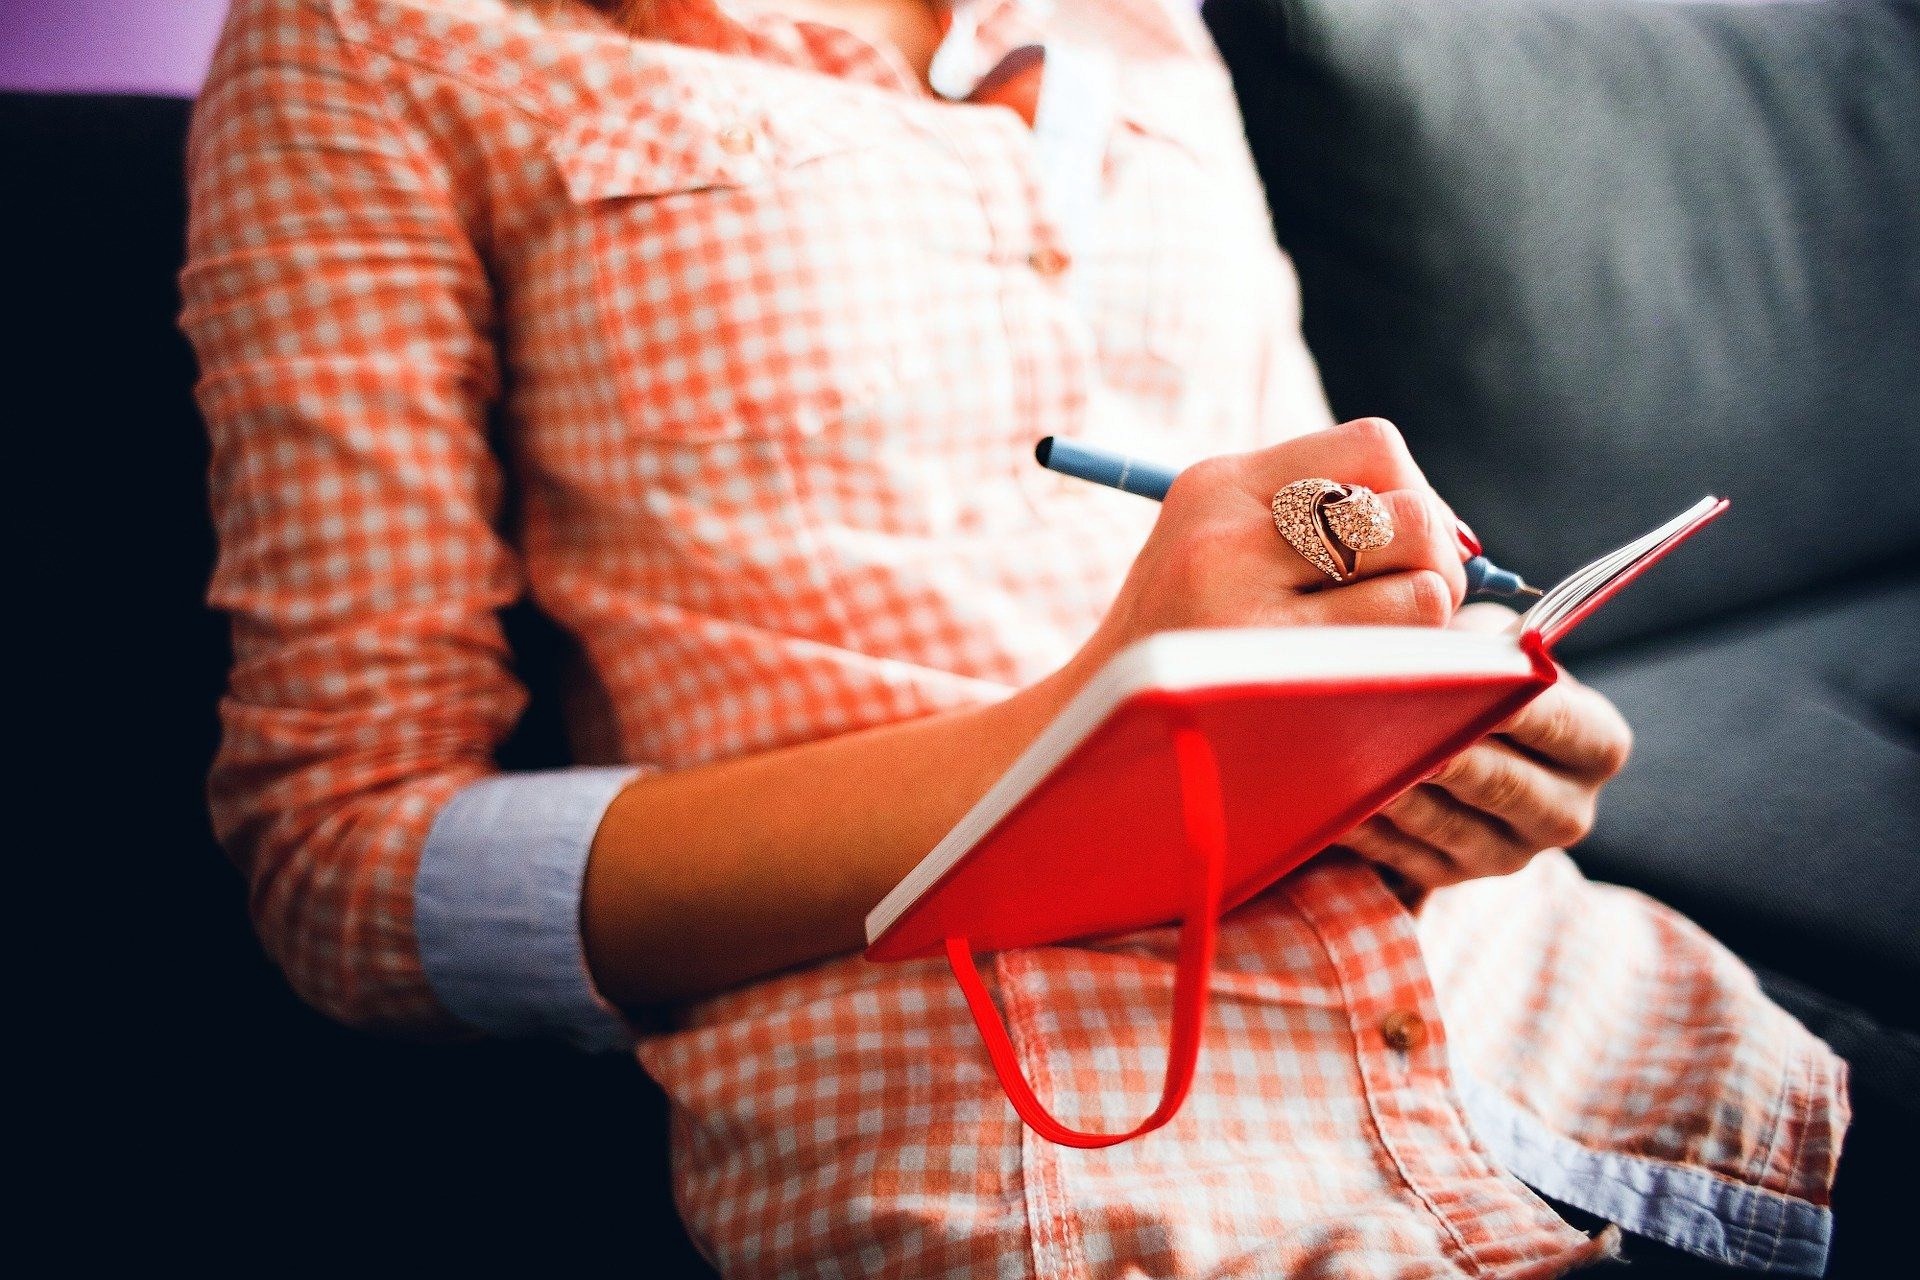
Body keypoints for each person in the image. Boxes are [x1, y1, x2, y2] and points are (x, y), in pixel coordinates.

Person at [180, 0, 1847, 1274]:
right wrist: (1094, 735)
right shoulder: (375, 39)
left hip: (1587, 1034)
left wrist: (1426, 711)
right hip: (1055, 1148)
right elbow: (342, 866)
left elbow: (1306, 531)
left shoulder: (1140, 25)